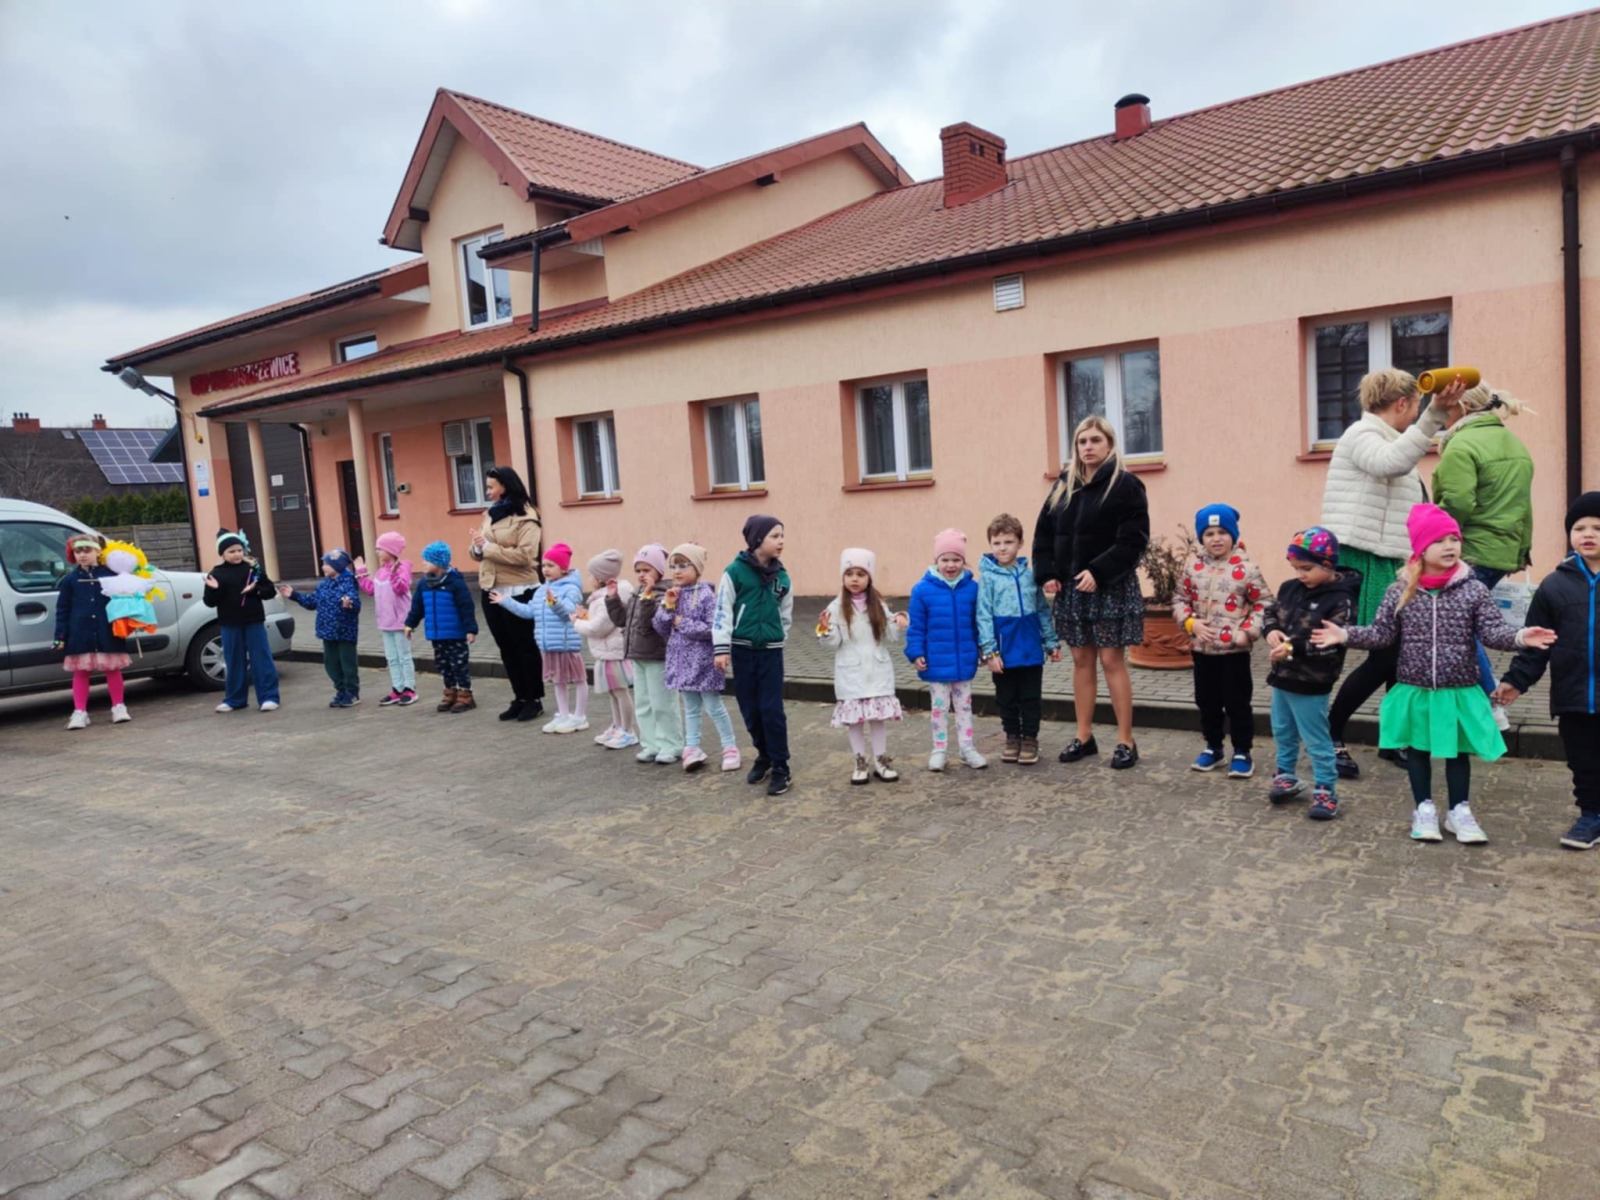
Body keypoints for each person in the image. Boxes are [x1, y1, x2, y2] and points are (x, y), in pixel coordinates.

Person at [1311, 504, 1555, 844]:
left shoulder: (1473, 589)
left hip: (1459, 689)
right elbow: (1382, 634)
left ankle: (1459, 811)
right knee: (1418, 750)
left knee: (1457, 753)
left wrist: (1520, 637)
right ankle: (1423, 809)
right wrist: (1345, 634)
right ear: (1421, 549)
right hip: (1416, 689)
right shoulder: (1399, 590)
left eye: (1454, 539)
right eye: (1439, 541)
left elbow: (1492, 632)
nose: (1450, 546)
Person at [1320, 369, 1466, 778]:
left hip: (1389, 557)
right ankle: (1330, 735)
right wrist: (1434, 416)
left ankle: (1392, 738)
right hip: (1361, 557)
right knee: (1382, 653)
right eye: (1417, 405)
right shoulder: (1362, 435)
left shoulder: (1389, 438)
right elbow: (1391, 464)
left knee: (1397, 653)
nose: (1418, 412)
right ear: (1403, 403)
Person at [1033, 415, 1150, 769]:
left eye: (1095, 440)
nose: (1088, 447)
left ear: (1109, 445)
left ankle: (1126, 741)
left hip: (1110, 587)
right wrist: (1048, 573)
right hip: (1072, 590)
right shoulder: (1063, 485)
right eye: (1082, 441)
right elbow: (1044, 535)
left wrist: (1099, 571)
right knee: (1082, 662)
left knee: (1112, 662)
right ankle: (1084, 736)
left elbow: (1134, 540)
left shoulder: (1126, 485)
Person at [1494, 492, 1600, 849]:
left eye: (1598, 528)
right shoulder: (1554, 586)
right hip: (1573, 695)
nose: (1588, 534)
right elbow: (1537, 642)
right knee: (1583, 762)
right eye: (1580, 528)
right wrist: (1515, 680)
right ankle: (1591, 816)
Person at [1431, 383, 1535, 727]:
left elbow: (1457, 502)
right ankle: (1476, 705)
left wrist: (1436, 542)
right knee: (1469, 624)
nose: (1440, 416)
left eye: (1445, 409)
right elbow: (1524, 507)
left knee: (1458, 627)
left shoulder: (1462, 445)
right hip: (1502, 550)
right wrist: (1521, 550)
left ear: (1461, 408)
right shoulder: (1514, 444)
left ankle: (1490, 705)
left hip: (1473, 550)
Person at [1261, 528, 1360, 819]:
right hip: (1283, 675)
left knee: (1316, 737)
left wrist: (1292, 648)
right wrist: (1271, 631)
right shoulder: (1289, 588)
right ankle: (1285, 775)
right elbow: (1271, 612)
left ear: (1328, 565)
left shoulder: (1341, 600)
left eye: (1306, 568)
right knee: (1282, 729)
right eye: (1296, 568)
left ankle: (1326, 790)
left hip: (1312, 681)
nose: (1300, 574)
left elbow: (1330, 643)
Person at [1173, 503, 1269, 778]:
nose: (1216, 539)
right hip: (1202, 650)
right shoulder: (1193, 567)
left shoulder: (1247, 568)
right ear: (1201, 538)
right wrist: (1190, 623)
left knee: (1237, 702)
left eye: (1222, 532)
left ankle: (1242, 751)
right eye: (1209, 533)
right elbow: (1180, 599)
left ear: (1233, 535)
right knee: (1206, 701)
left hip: (1233, 652)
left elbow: (1264, 604)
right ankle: (1213, 747)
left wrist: (1247, 632)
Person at [713, 515, 793, 796]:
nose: (781, 541)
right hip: (742, 650)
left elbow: (786, 614)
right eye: (775, 536)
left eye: (782, 536)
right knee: (750, 709)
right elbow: (722, 611)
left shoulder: (782, 577)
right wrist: (721, 648)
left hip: (770, 653)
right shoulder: (734, 572)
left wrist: (779, 637)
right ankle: (764, 755)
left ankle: (781, 766)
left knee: (771, 710)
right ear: (757, 539)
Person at [975, 514, 1060, 766]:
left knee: (1031, 697)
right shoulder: (988, 578)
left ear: (1020, 543)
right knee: (1006, 698)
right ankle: (1012, 737)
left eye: (1008, 542)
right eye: (997, 543)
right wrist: (990, 653)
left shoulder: (1030, 576)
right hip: (1003, 651)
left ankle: (1030, 739)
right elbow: (983, 616)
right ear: (990, 544)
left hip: (1030, 648)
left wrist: (1051, 642)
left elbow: (1042, 610)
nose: (1002, 548)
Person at [817, 547, 906, 784]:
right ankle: (860, 762)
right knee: (854, 722)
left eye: (860, 574)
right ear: (843, 577)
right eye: (849, 574)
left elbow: (890, 636)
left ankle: (881, 760)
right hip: (851, 674)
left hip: (877, 672)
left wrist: (898, 623)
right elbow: (832, 643)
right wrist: (826, 630)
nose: (854, 579)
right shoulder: (836, 607)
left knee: (877, 720)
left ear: (869, 577)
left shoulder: (879, 605)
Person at [655, 543, 741, 773]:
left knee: (714, 706)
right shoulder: (673, 594)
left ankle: (730, 747)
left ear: (697, 568)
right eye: (674, 566)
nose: (677, 571)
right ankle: (692, 748)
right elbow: (660, 627)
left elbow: (712, 628)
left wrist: (682, 622)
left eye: (684, 565)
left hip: (703, 664)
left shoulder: (706, 595)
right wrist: (668, 606)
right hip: (681, 664)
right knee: (690, 708)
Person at [906, 528, 985, 772]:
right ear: (936, 560)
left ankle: (967, 748)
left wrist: (983, 649)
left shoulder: (973, 589)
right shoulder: (921, 590)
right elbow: (916, 627)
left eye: (956, 559)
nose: (951, 565)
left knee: (964, 707)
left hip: (964, 661)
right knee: (939, 709)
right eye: (945, 559)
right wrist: (916, 652)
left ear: (964, 561)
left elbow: (978, 623)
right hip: (936, 662)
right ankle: (939, 749)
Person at [469, 466, 545, 723]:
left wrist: (488, 547)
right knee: (506, 647)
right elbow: (479, 550)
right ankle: (519, 697)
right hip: (491, 587)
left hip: (518, 589)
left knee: (524, 646)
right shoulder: (491, 514)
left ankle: (534, 699)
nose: (488, 492)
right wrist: (477, 549)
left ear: (506, 485)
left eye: (491, 487)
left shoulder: (527, 516)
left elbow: (526, 556)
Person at [492, 542, 585, 732]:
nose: (546, 569)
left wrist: (554, 603)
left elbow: (568, 613)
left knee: (578, 680)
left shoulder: (571, 589)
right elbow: (529, 612)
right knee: (558, 681)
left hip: (566, 643)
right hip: (548, 645)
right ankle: (564, 714)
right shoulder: (541, 590)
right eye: (543, 565)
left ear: (563, 568)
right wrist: (506, 602)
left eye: (551, 565)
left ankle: (579, 716)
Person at [606, 543, 683, 765]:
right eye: (638, 570)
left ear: (659, 570)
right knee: (644, 703)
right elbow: (622, 620)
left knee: (662, 703)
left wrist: (648, 597)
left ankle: (671, 744)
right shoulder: (636, 593)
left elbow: (653, 623)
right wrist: (612, 599)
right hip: (638, 656)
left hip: (658, 657)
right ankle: (651, 744)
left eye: (646, 570)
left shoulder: (663, 594)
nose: (641, 575)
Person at [53, 534, 131, 729]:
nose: (82, 555)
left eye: (87, 550)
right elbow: (62, 609)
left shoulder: (111, 576)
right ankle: (80, 712)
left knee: (112, 669)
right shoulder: (70, 580)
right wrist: (60, 636)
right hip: (80, 633)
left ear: (97, 551)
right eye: (78, 551)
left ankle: (118, 706)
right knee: (81, 672)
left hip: (107, 630)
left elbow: (124, 601)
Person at [203, 529, 281, 713]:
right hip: (230, 623)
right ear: (222, 554)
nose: (237, 554)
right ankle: (235, 700)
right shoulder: (216, 573)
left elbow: (269, 591)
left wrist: (255, 590)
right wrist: (214, 589)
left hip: (254, 621)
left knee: (261, 659)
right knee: (234, 661)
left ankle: (269, 697)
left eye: (239, 550)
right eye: (231, 551)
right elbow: (209, 602)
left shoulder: (253, 569)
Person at [280, 549, 362, 708]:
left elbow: (354, 603)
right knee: (331, 663)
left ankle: (352, 693)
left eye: (326, 564)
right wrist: (294, 595)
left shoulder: (349, 582)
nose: (323, 566)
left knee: (347, 664)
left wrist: (349, 604)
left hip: (345, 631)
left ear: (337, 565)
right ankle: (341, 690)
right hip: (327, 631)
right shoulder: (324, 584)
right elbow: (311, 602)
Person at [573, 550, 638, 750]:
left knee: (620, 692)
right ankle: (617, 725)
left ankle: (628, 730)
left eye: (591, 575)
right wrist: (585, 617)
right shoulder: (600, 598)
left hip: (614, 653)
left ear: (601, 578)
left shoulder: (605, 600)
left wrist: (577, 623)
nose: (589, 578)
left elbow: (598, 628)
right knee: (613, 692)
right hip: (607, 653)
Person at [404, 540, 479, 713]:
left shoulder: (455, 583)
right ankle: (450, 692)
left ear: (438, 563)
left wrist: (470, 629)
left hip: (455, 634)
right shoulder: (423, 584)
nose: (423, 563)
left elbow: (466, 607)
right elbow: (417, 607)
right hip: (437, 635)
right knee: (444, 665)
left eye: (427, 560)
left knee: (459, 664)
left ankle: (465, 694)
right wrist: (410, 624)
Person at [355, 531, 416, 706]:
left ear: (391, 550)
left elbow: (401, 588)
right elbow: (370, 590)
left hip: (401, 623)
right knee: (391, 658)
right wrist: (361, 572)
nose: (377, 552)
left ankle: (409, 689)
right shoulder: (380, 572)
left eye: (380, 548)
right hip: (385, 623)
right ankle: (397, 688)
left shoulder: (403, 568)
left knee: (404, 656)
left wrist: (395, 574)